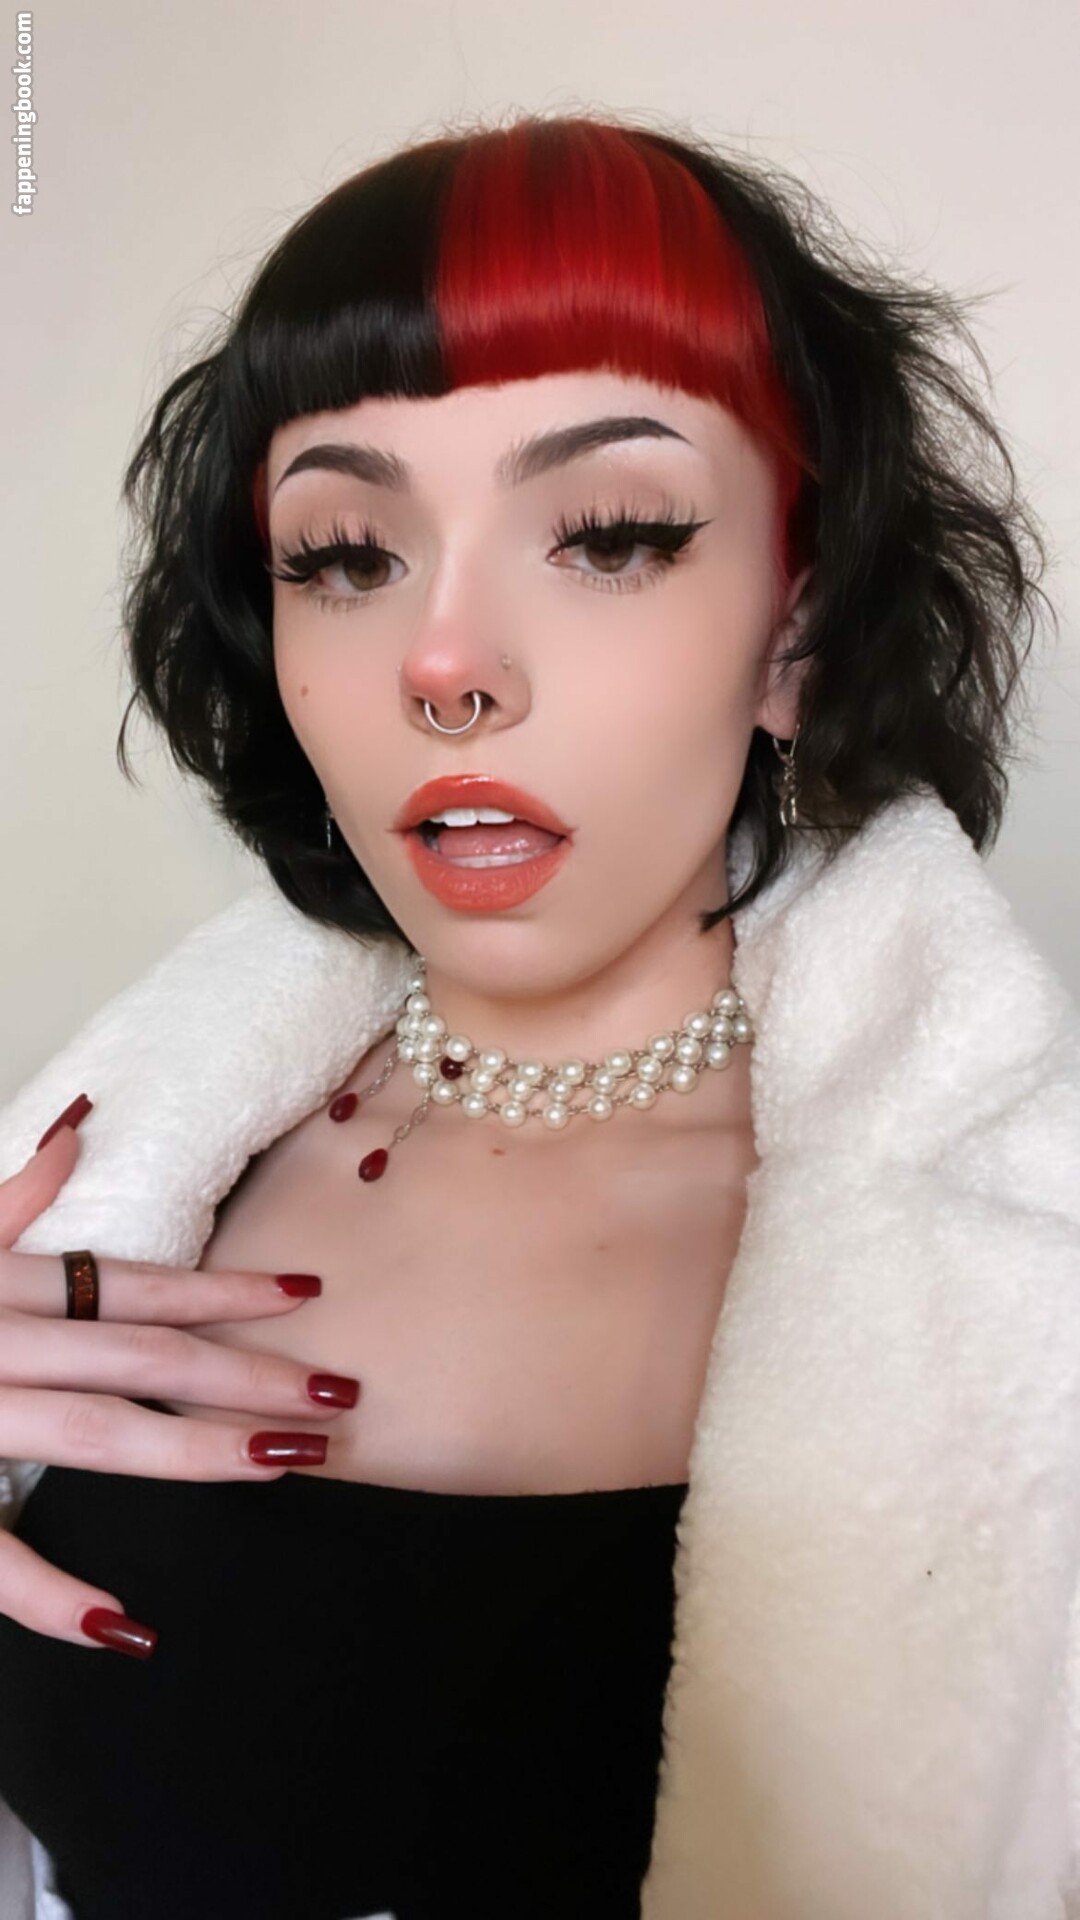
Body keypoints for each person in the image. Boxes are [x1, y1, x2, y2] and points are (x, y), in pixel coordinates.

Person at [0, 107, 1078, 1920]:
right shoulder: (110, 1163)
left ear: (797, 628)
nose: (445, 664)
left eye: (611, 534)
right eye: (346, 555)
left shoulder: (1030, 1292)